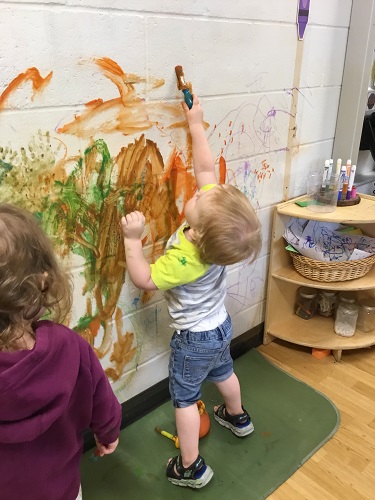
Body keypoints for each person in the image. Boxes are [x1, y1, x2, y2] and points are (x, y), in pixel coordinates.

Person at [121, 94, 262, 489]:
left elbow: (145, 279)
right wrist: (196, 124)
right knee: (226, 371)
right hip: (219, 327)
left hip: (193, 338)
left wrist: (133, 240)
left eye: (201, 198)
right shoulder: (214, 233)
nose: (200, 190)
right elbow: (204, 167)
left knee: (184, 398)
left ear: (197, 233)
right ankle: (237, 416)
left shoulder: (186, 258)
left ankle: (190, 466)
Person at [0, 204, 122, 500]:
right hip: (63, 489)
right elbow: (101, 398)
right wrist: (108, 433)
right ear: (42, 281)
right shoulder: (69, 346)